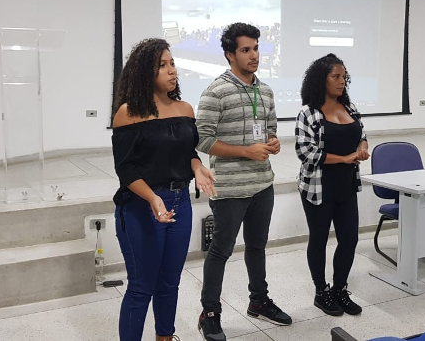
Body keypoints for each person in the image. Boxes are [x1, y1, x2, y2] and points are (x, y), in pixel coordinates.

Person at [111, 38, 216, 341]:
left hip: (180, 203)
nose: (172, 71)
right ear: (145, 72)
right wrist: (153, 198)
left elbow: (188, 153)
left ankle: (165, 338)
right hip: (141, 207)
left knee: (169, 283)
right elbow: (126, 169)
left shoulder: (185, 109)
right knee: (142, 286)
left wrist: (197, 168)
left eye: (172, 63)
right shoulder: (128, 113)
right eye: (162, 65)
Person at [195, 22, 291, 341]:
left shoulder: (264, 91)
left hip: (262, 184)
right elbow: (202, 139)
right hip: (230, 188)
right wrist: (244, 151)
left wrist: (273, 143)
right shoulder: (216, 91)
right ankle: (210, 313)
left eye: (256, 48)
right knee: (221, 250)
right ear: (229, 55)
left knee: (257, 247)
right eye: (246, 50)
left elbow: (271, 130)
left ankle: (258, 301)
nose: (254, 55)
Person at [295, 53, 369, 317]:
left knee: (349, 239)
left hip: (346, 185)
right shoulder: (308, 113)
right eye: (335, 77)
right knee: (319, 239)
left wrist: (362, 147)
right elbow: (306, 153)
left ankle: (339, 289)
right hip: (318, 188)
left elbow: (362, 134)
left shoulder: (349, 108)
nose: (341, 81)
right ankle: (321, 291)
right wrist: (346, 158)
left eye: (343, 77)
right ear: (321, 79)